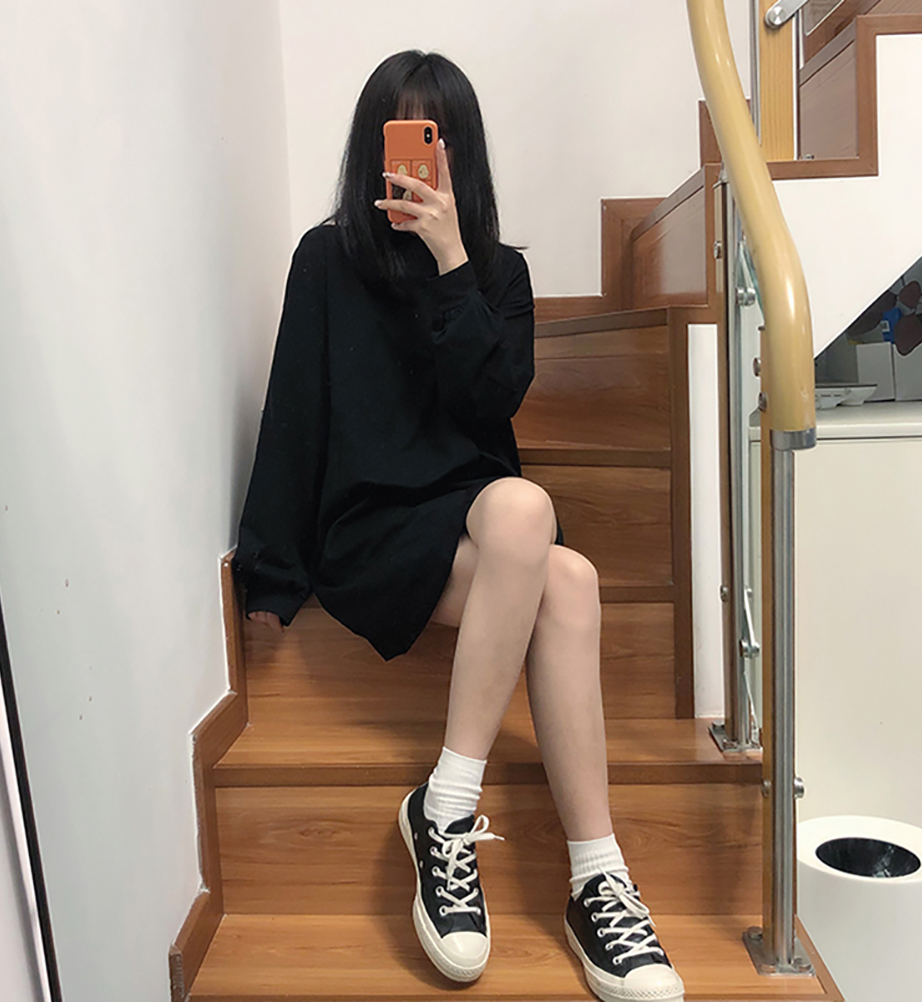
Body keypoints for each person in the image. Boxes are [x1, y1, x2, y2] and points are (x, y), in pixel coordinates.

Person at [231, 49, 685, 1002]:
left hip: (480, 524)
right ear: (372, 149)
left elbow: (490, 404)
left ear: (457, 153)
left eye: (430, 139)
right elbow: (294, 411)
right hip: (370, 529)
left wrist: (452, 264)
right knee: (548, 545)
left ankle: (568, 862)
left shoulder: (498, 274)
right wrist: (270, 572)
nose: (413, 162)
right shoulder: (325, 259)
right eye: (398, 134)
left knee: (550, 549)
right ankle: (500, 832)